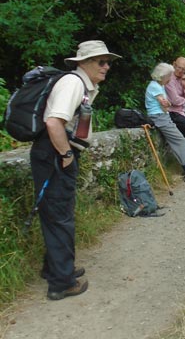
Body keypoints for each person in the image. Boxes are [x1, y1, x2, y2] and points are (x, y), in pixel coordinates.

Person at [31, 40, 120, 300]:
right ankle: (61, 283)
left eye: (108, 62)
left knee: (58, 212)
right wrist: (67, 155)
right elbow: (53, 122)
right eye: (100, 62)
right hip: (55, 155)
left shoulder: (81, 85)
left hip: (55, 154)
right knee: (60, 216)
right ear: (82, 63)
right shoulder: (73, 83)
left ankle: (56, 268)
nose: (106, 67)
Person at [145, 63, 185, 183]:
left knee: (181, 138)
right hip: (159, 117)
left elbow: (168, 103)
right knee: (179, 140)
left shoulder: (160, 85)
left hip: (163, 115)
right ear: (163, 76)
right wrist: (167, 104)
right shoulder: (155, 87)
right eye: (169, 76)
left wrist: (168, 104)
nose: (170, 78)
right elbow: (165, 104)